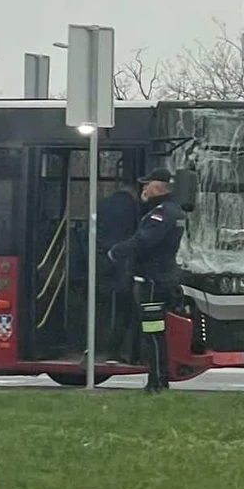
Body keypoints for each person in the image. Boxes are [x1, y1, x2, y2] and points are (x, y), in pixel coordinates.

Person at [107, 167, 185, 394]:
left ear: (158, 187)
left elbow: (143, 240)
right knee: (154, 333)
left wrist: (115, 252)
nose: (143, 188)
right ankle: (158, 380)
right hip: (163, 278)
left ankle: (156, 383)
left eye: (147, 184)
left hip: (152, 282)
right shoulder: (172, 211)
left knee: (152, 334)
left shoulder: (161, 213)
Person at [96, 183, 140, 360]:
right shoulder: (135, 208)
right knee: (124, 308)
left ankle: (101, 344)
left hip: (102, 260)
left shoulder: (103, 204)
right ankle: (120, 349)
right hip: (125, 263)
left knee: (104, 306)